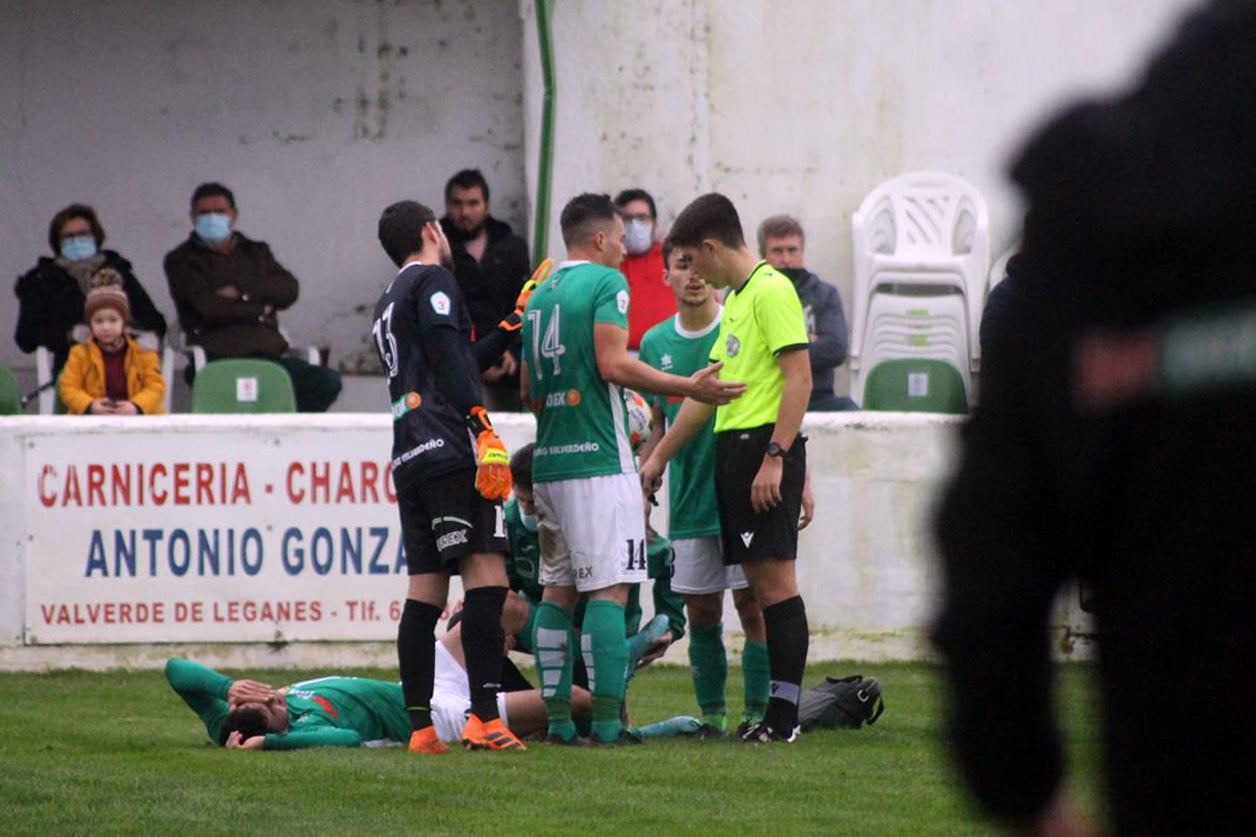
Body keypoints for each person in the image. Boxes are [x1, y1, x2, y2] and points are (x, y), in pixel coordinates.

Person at [933, 3, 1256, 834]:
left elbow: (991, 558)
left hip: (1182, 770)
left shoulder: (1099, 215)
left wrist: (1022, 783)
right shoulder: (1098, 226)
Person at [519, 192, 744, 745]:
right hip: (598, 461)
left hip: (548, 461)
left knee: (557, 592)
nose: (625, 247)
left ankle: (555, 725)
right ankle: (602, 723)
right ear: (598, 238)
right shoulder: (603, 284)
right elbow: (612, 362)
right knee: (611, 592)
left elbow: (528, 389)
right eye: (620, 236)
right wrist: (686, 385)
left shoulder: (540, 292)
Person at [373, 199, 544, 755]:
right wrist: (483, 427)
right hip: (451, 449)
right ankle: (484, 719)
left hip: (411, 456)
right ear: (430, 230)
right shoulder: (434, 279)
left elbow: (457, 357)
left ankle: (421, 728)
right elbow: (451, 361)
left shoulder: (388, 300)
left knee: (425, 590)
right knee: (488, 579)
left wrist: (510, 326)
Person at [640, 193, 812, 744]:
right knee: (759, 589)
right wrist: (659, 456)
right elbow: (709, 392)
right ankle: (764, 717)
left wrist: (777, 457)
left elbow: (800, 379)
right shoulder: (738, 300)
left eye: (695, 259)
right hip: (734, 452)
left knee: (773, 589)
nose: (695, 272)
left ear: (712, 248)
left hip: (762, 450)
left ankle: (782, 719)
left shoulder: (770, 290)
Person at [637, 240, 771, 737]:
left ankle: (756, 713)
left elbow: (778, 403)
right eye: (681, 266)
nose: (692, 276)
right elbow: (658, 420)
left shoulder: (739, 322)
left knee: (754, 605)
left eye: (698, 265)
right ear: (666, 276)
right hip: (691, 495)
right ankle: (712, 716)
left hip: (743, 491)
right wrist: (650, 464)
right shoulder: (653, 345)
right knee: (703, 611)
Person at [166, 594, 588, 750]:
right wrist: (268, 744)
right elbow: (347, 738)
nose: (279, 697)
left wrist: (227, 686)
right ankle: (605, 696)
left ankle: (590, 650)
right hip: (442, 716)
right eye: (278, 709)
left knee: (503, 606)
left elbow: (174, 668)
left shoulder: (229, 714)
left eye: (269, 696)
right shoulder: (306, 728)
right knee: (576, 701)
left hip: (420, 682)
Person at [504, 442, 685, 671]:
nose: (527, 510)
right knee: (472, 621)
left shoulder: (597, 519)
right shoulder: (511, 521)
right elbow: (505, 582)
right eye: (521, 500)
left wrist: (672, 622)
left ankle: (613, 656)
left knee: (589, 704)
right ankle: (625, 653)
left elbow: (668, 560)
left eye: (534, 502)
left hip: (598, 627)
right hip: (547, 624)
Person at [163, 182, 342, 412]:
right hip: (217, 359)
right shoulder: (181, 260)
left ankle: (284, 434)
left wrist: (242, 293)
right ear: (192, 217)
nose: (212, 218)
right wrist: (261, 308)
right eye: (204, 213)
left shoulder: (256, 252)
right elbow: (207, 307)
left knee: (326, 381)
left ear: (234, 215)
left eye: (219, 212)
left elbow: (288, 289)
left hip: (270, 358)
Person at [14, 203, 166, 376]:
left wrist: (132, 334)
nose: (76, 241)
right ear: (57, 243)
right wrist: (71, 335)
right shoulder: (43, 280)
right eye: (68, 237)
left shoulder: (116, 270)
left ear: (96, 236)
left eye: (83, 234)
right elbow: (26, 337)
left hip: (126, 364)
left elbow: (154, 321)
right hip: (76, 367)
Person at [440, 169, 532, 411]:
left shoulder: (511, 247)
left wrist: (510, 350)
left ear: (487, 205)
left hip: (506, 359)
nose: (465, 212)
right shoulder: (436, 249)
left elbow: (524, 302)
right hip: (454, 359)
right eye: (457, 204)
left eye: (473, 203)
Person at [757, 214, 855, 411]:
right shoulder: (748, 293)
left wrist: (778, 347)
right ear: (763, 255)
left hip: (817, 397)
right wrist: (805, 339)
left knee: (852, 414)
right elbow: (744, 353)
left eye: (792, 250)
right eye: (777, 251)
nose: (786, 259)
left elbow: (835, 349)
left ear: (801, 252)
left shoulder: (824, 293)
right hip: (766, 399)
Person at [59, 268, 165, 415]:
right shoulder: (80, 353)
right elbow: (68, 388)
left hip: (138, 421)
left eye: (113, 320)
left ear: (124, 322)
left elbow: (155, 387)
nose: (106, 327)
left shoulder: (143, 351)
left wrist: (136, 406)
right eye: (99, 321)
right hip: (91, 421)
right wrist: (90, 405)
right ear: (90, 324)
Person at [614, 188, 676, 351]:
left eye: (642, 218)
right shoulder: (607, 264)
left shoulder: (674, 260)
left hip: (670, 357)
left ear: (654, 223)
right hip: (619, 362)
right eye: (627, 219)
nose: (634, 225)